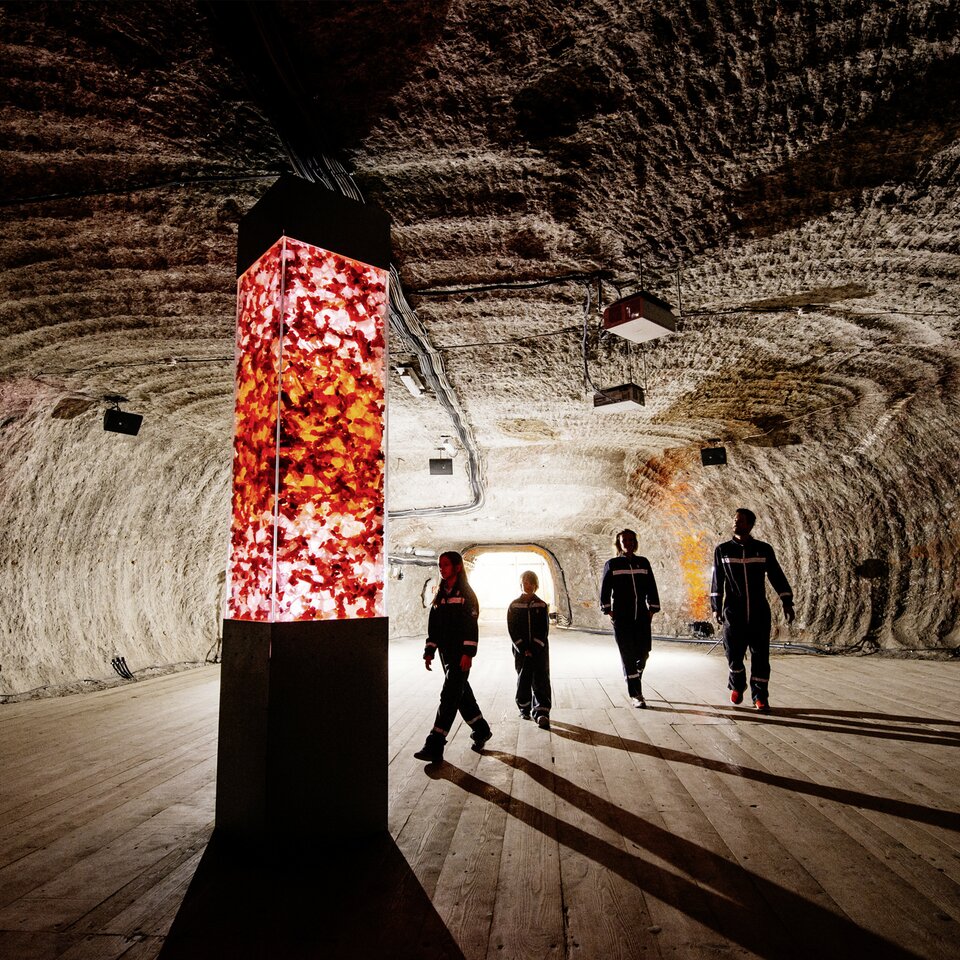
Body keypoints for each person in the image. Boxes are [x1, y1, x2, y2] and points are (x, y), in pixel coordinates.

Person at [711, 508, 795, 713]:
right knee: (733, 653)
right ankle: (737, 685)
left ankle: (760, 697)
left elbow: (776, 575)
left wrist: (787, 600)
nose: (735, 524)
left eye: (740, 521)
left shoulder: (763, 549)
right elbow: (717, 581)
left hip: (758, 611)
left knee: (760, 656)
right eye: (734, 520)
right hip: (733, 611)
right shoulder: (722, 550)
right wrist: (716, 607)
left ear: (750, 525)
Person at [413, 551, 493, 763]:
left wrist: (468, 653)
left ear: (458, 567)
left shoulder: (466, 593)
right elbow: (434, 626)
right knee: (461, 693)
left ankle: (435, 743)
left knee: (449, 695)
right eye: (440, 565)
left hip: (460, 655)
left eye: (446, 565)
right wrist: (430, 650)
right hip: (445, 655)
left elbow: (471, 626)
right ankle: (481, 729)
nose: (442, 569)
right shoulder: (440, 594)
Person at [599, 529, 660, 707]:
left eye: (631, 540)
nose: (628, 543)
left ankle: (632, 675)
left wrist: (652, 609)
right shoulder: (612, 564)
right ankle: (636, 694)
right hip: (622, 616)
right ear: (619, 544)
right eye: (624, 540)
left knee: (644, 653)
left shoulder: (643, 563)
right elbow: (605, 590)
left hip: (641, 615)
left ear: (635, 542)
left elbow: (651, 586)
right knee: (628, 656)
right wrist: (609, 611)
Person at [507, 570, 552, 730]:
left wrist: (534, 648)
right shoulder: (514, 605)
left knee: (541, 678)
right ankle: (524, 707)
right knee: (523, 677)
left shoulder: (541, 605)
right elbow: (512, 630)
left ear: (535, 585)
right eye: (524, 582)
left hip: (539, 651)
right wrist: (522, 648)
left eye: (530, 582)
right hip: (521, 652)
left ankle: (541, 712)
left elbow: (543, 630)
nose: (527, 585)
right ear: (520, 584)